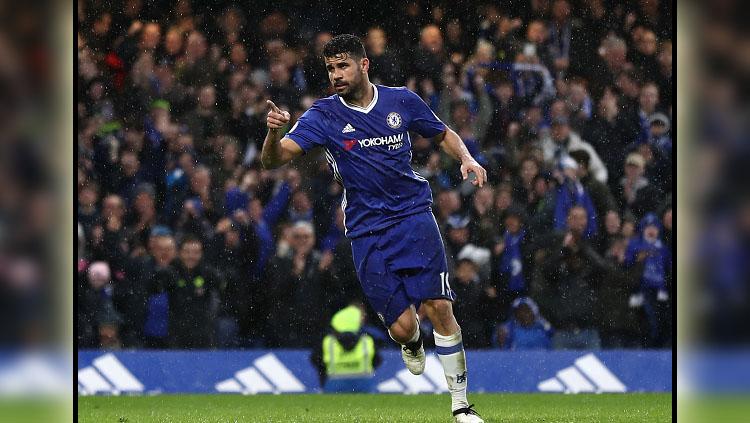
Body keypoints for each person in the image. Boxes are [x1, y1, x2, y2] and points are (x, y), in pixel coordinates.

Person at [261, 34, 486, 423]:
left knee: (440, 307)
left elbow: (442, 132)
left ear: (364, 65)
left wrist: (466, 157)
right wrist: (272, 133)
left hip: (413, 216)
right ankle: (412, 341)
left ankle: (461, 407)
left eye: (343, 65)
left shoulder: (400, 100)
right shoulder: (324, 115)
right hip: (366, 231)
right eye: (330, 68)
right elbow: (274, 160)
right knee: (402, 329)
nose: (336, 74)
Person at [311, 304, 382, 392]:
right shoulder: (367, 340)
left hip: (335, 384)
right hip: (363, 384)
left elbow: (316, 360)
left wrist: (323, 378)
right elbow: (377, 360)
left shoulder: (328, 341)